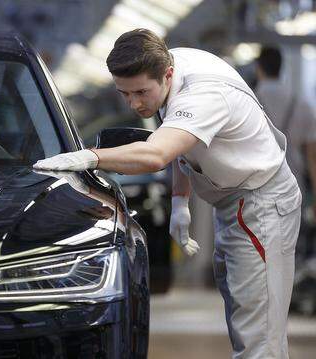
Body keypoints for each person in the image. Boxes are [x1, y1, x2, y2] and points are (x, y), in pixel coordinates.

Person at [34, 28, 301, 359]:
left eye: (141, 93)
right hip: (237, 200)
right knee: (247, 315)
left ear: (168, 74)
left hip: (261, 204)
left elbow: (157, 153)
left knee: (259, 332)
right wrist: (179, 201)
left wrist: (91, 157)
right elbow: (180, 144)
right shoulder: (168, 64)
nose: (134, 103)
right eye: (125, 94)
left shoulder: (204, 96)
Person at [255, 46, 316, 217]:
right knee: (293, 241)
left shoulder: (249, 101)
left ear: (258, 68)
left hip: (258, 188)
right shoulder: (301, 104)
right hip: (294, 186)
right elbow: (312, 156)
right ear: (281, 67)